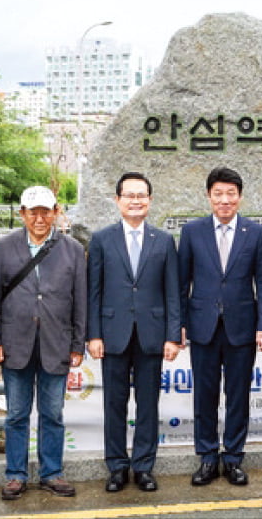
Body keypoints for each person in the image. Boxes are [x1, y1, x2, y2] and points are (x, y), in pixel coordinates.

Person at [178, 166, 262, 486]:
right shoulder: (192, 232)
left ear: (240, 197)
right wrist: (178, 323)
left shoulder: (255, 233)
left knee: (238, 395)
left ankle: (233, 457)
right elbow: (182, 283)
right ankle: (207, 457)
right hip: (202, 325)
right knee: (204, 395)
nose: (224, 200)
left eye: (230, 194)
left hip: (242, 327)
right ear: (208, 197)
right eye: (218, 194)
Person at [87, 172, 181, 493]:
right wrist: (93, 334)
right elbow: (93, 292)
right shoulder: (101, 240)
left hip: (152, 335)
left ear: (150, 201)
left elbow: (173, 293)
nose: (136, 201)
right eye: (129, 195)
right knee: (114, 404)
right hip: (113, 333)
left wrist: (172, 335)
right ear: (118, 200)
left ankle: (143, 466)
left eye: (142, 195)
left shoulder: (164, 241)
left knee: (147, 404)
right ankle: (116, 466)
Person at [0, 185, 86, 499]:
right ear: (22, 214)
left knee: (52, 414)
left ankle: (52, 472)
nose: (40, 218)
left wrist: (78, 343)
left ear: (56, 212)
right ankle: (16, 474)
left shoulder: (72, 248)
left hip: (56, 343)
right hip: (15, 344)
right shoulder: (3, 248)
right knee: (16, 414)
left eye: (46, 211)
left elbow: (80, 300)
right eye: (33, 212)